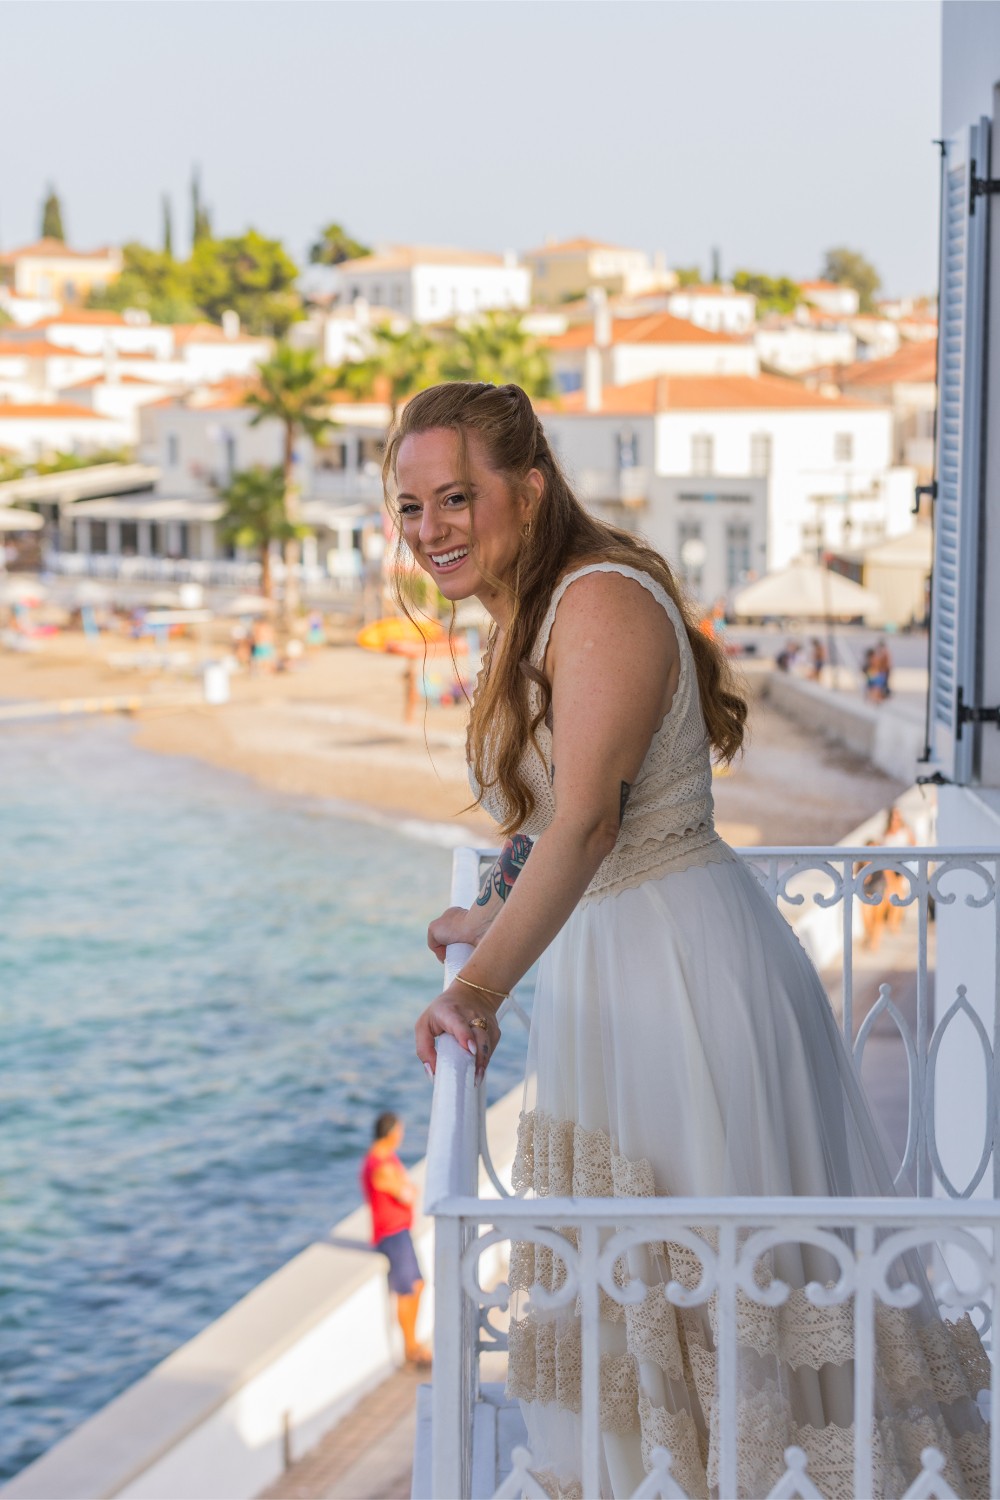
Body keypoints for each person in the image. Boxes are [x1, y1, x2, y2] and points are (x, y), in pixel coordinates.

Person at [385, 383, 987, 1498]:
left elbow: (590, 820)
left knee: (715, 1280)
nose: (431, 531)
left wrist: (475, 989)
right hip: (620, 975)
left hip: (678, 978)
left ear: (530, 484)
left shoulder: (596, 599)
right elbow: (550, 819)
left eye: (455, 498)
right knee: (648, 1289)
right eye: (411, 507)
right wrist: (492, 908)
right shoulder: (538, 606)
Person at [360, 1111, 431, 1368]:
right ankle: (410, 1348)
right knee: (407, 1289)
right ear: (390, 1133)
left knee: (418, 1284)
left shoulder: (385, 1160)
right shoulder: (379, 1166)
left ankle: (413, 1343)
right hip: (391, 1235)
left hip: (400, 1232)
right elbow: (407, 1193)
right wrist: (405, 1187)